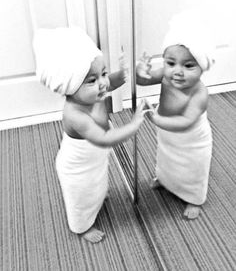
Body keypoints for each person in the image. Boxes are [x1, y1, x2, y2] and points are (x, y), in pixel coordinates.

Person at [33, 26, 146, 243]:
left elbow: (113, 82)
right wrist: (135, 122)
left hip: (95, 160)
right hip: (77, 170)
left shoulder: (91, 95)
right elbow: (104, 138)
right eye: (92, 80)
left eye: (102, 73)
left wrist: (128, 70)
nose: (103, 82)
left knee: (99, 184)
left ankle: (97, 200)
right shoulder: (76, 114)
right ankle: (81, 227)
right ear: (69, 87)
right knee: (81, 200)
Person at [136, 12, 215, 220]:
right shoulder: (165, 74)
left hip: (191, 141)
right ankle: (165, 180)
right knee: (166, 160)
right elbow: (143, 81)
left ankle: (194, 198)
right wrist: (141, 70)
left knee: (191, 170)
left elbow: (185, 121)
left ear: (202, 67)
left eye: (188, 66)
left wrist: (156, 120)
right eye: (171, 63)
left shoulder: (199, 93)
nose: (177, 72)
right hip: (168, 134)